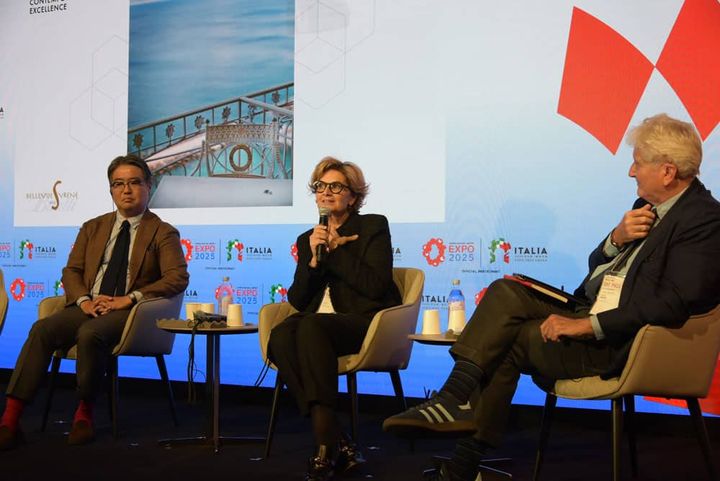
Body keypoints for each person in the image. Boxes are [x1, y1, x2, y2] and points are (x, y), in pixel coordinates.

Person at [383, 113, 720, 481]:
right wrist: (615, 239)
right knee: (506, 290)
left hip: (623, 340)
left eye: (638, 163)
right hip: (589, 307)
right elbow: (598, 267)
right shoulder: (645, 208)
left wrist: (587, 325)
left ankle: (459, 439)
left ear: (667, 172)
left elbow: (673, 302)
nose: (630, 172)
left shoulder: (703, 219)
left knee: (512, 338)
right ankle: (454, 403)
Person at [0, 154, 189, 449]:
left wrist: (129, 298)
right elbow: (71, 271)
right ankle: (10, 419)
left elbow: (177, 277)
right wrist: (84, 301)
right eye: (118, 184)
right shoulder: (93, 227)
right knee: (41, 329)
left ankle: (84, 414)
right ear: (111, 190)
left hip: (131, 313)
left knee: (90, 333)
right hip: (90, 305)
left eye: (134, 182)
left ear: (148, 186)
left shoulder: (162, 231)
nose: (126, 190)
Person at [267, 156, 401, 481]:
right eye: (320, 186)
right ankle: (337, 439)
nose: (326, 192)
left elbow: (375, 286)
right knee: (281, 335)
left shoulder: (372, 227)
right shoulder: (307, 238)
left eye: (336, 187)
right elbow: (298, 300)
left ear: (353, 197)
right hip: (316, 326)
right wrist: (314, 262)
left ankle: (326, 447)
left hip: (365, 323)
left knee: (310, 326)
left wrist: (338, 251)